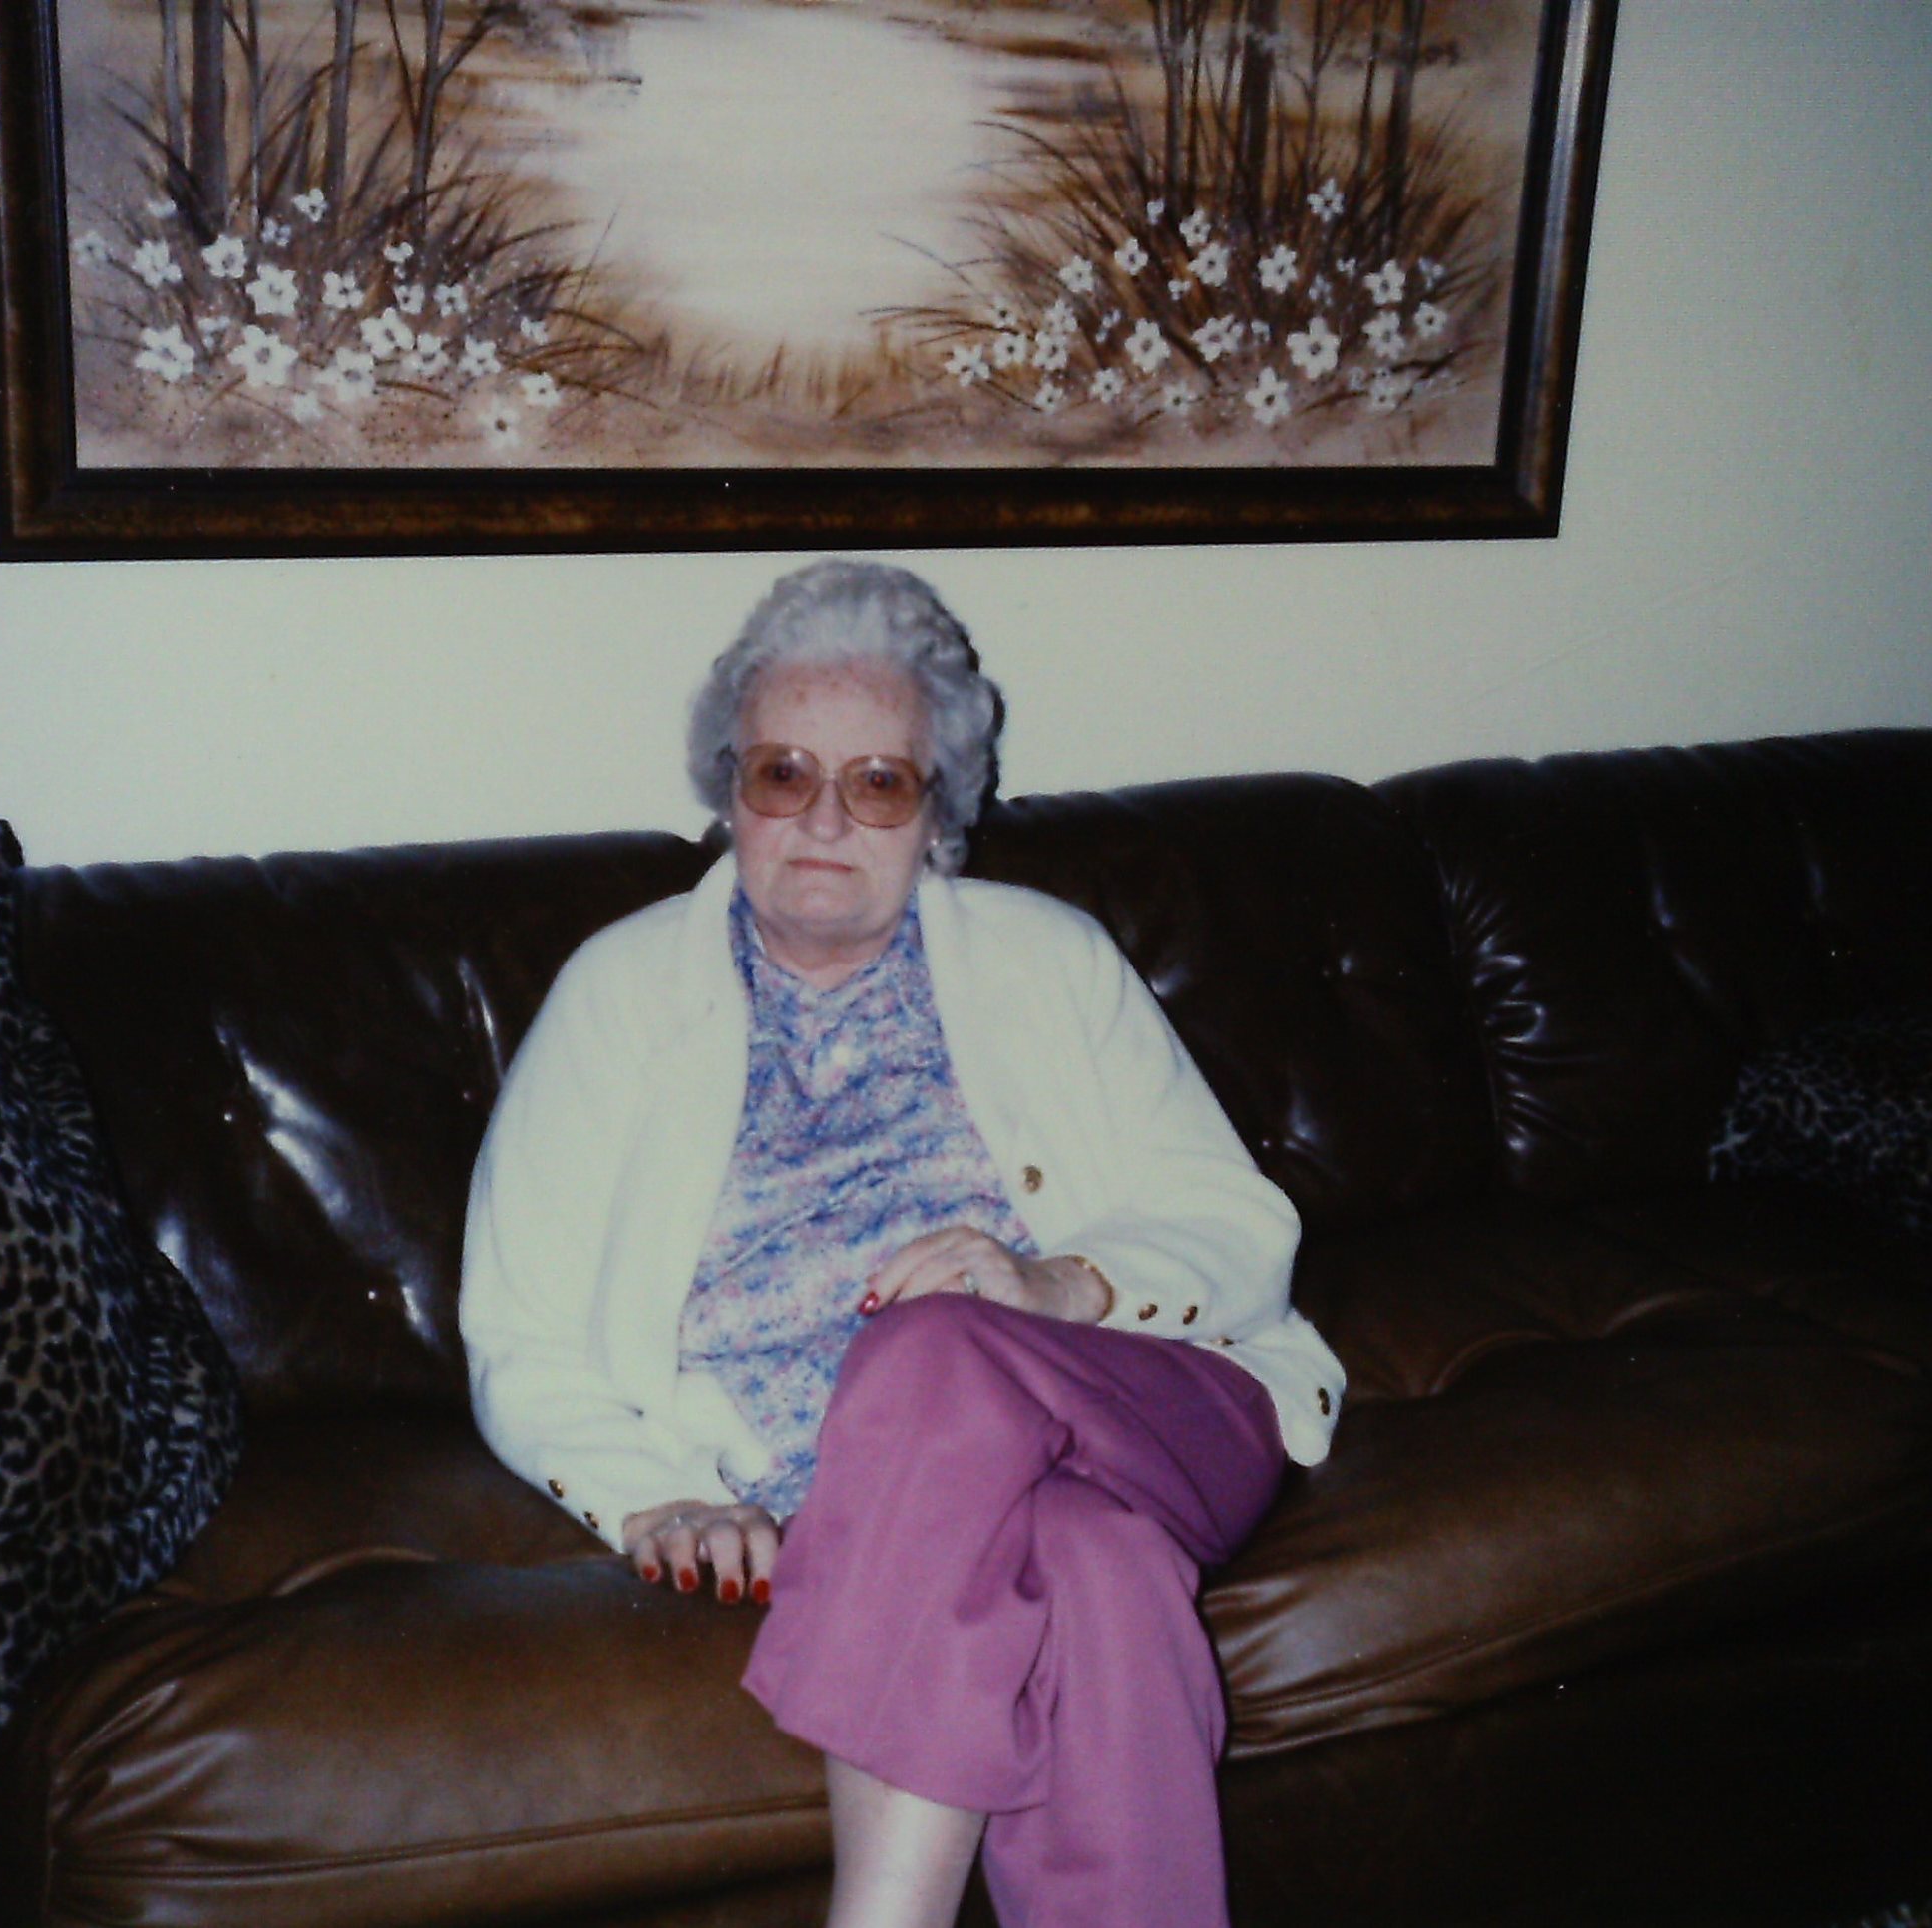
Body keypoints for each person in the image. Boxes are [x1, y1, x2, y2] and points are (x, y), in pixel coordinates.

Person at [460, 559, 1345, 1928]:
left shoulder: (1050, 959)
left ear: (937, 812)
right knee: (1095, 1568)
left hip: (1150, 1402)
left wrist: (1054, 1282)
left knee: (931, 1349)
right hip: (870, 1496)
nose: (824, 817)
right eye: (784, 773)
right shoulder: (616, 999)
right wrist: (653, 1497)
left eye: (878, 782)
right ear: (729, 791)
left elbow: (1242, 1228)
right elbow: (517, 1328)